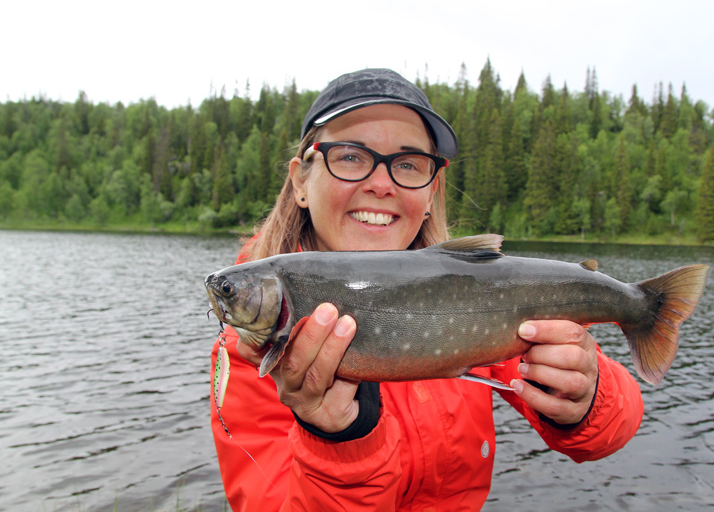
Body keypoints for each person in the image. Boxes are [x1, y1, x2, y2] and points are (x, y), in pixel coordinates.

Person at [209, 68, 644, 511]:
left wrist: (585, 397)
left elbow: (608, 434)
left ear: (431, 189)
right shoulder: (254, 355)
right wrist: (336, 438)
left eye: (408, 164)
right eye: (351, 156)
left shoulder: (469, 293)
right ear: (301, 180)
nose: (381, 184)